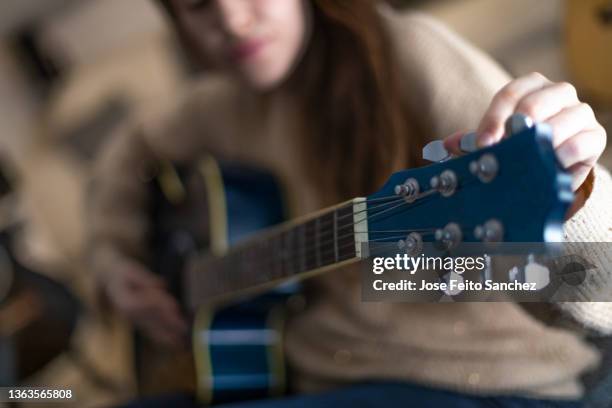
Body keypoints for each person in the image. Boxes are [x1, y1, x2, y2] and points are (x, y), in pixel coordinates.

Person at [88, 0, 611, 406]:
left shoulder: (409, 54)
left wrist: (574, 194)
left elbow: (602, 285)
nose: (234, 21)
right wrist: (114, 263)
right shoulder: (216, 106)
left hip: (475, 380)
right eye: (200, 4)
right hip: (310, 380)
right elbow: (127, 150)